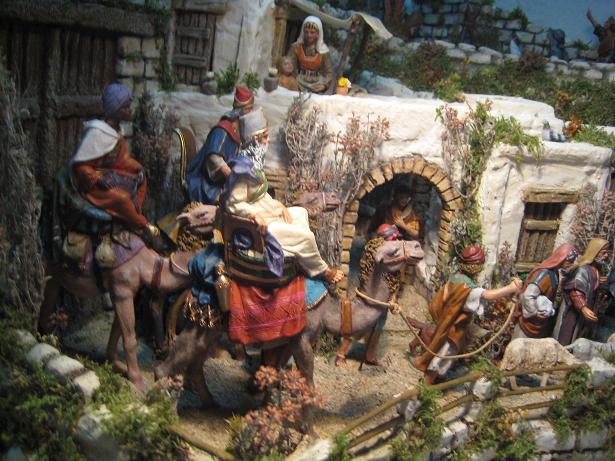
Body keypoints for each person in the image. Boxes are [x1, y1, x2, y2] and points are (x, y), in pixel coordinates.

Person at [223, 107, 344, 284]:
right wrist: (254, 215)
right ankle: (321, 270)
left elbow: (260, 196)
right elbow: (233, 204)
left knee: (301, 212)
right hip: (257, 228)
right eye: (264, 137)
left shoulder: (254, 165)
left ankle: (299, 252)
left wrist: (279, 206)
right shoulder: (242, 172)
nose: (268, 141)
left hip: (267, 213)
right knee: (308, 237)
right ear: (254, 141)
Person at [414, 244, 521, 384]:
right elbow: (487, 295)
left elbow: (438, 301)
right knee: (443, 355)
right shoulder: (468, 288)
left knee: (445, 354)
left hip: (446, 323)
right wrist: (510, 288)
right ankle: (426, 385)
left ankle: (437, 378)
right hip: (453, 329)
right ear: (477, 266)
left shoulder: (456, 278)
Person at [70, 83, 157, 239]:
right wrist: (97, 178)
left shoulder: (115, 132)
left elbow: (122, 160)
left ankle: (133, 215)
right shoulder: (96, 133)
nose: (130, 111)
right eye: (125, 107)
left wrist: (137, 168)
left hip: (109, 174)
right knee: (122, 198)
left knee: (140, 179)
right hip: (91, 185)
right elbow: (81, 167)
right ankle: (142, 225)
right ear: (115, 110)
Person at [334, 224, 401, 367]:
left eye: (396, 239)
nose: (395, 241)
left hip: (383, 303)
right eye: (392, 239)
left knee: (378, 328)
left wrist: (393, 299)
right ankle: (342, 353)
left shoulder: (396, 258)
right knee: (358, 324)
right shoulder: (373, 255)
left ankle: (369, 354)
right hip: (369, 300)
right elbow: (366, 278)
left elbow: (396, 281)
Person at [185, 86, 254, 204]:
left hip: (221, 182)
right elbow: (213, 158)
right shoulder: (222, 130)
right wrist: (232, 176)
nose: (251, 113)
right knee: (232, 201)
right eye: (249, 109)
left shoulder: (238, 130)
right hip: (204, 183)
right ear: (241, 111)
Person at [512, 243, 578, 339]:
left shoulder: (554, 273)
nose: (570, 264)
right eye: (569, 261)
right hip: (528, 325)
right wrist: (534, 313)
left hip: (539, 324)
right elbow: (528, 295)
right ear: (561, 258)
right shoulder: (544, 275)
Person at [554, 238, 611, 346]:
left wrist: (598, 281)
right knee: (568, 334)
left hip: (586, 313)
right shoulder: (582, 269)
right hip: (575, 312)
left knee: (580, 337)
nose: (606, 256)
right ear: (595, 252)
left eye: (607, 253)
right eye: (603, 253)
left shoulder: (595, 269)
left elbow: (590, 284)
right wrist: (583, 307)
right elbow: (575, 290)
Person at [287, 16, 334, 93]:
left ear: (318, 34)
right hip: (298, 82)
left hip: (317, 84)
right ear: (303, 32)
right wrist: (292, 78)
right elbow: (288, 64)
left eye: (312, 32)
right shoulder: (296, 47)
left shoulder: (323, 51)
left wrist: (324, 85)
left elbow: (329, 73)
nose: (309, 35)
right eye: (306, 32)